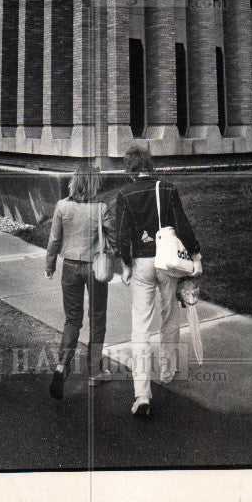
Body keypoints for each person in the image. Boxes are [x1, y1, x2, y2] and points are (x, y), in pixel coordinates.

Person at [116, 143, 201, 418]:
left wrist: (126, 265)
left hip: (140, 263)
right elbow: (183, 224)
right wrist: (196, 255)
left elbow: (121, 235)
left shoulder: (124, 194)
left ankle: (141, 394)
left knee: (140, 327)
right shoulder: (167, 188)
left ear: (129, 168)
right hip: (167, 262)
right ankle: (167, 370)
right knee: (169, 315)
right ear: (149, 165)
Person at [45, 168, 117, 400]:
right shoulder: (101, 208)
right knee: (97, 317)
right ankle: (94, 371)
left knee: (72, 319)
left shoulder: (62, 206)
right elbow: (113, 238)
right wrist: (112, 251)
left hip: (70, 267)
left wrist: (50, 265)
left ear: (74, 183)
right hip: (95, 268)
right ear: (95, 184)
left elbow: (54, 239)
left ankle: (61, 365)